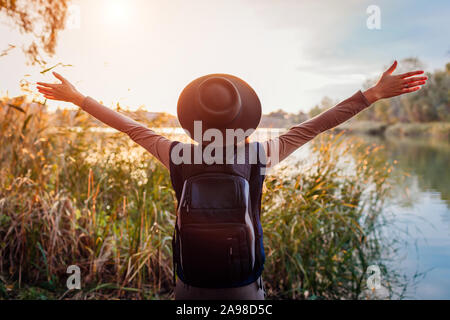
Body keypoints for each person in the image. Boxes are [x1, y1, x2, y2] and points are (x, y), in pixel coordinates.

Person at [37, 60, 427, 299]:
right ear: (244, 118)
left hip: (190, 282)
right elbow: (317, 126)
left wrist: (78, 98)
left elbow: (129, 127)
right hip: (244, 282)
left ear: (194, 118)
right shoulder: (260, 154)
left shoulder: (178, 155)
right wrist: (372, 94)